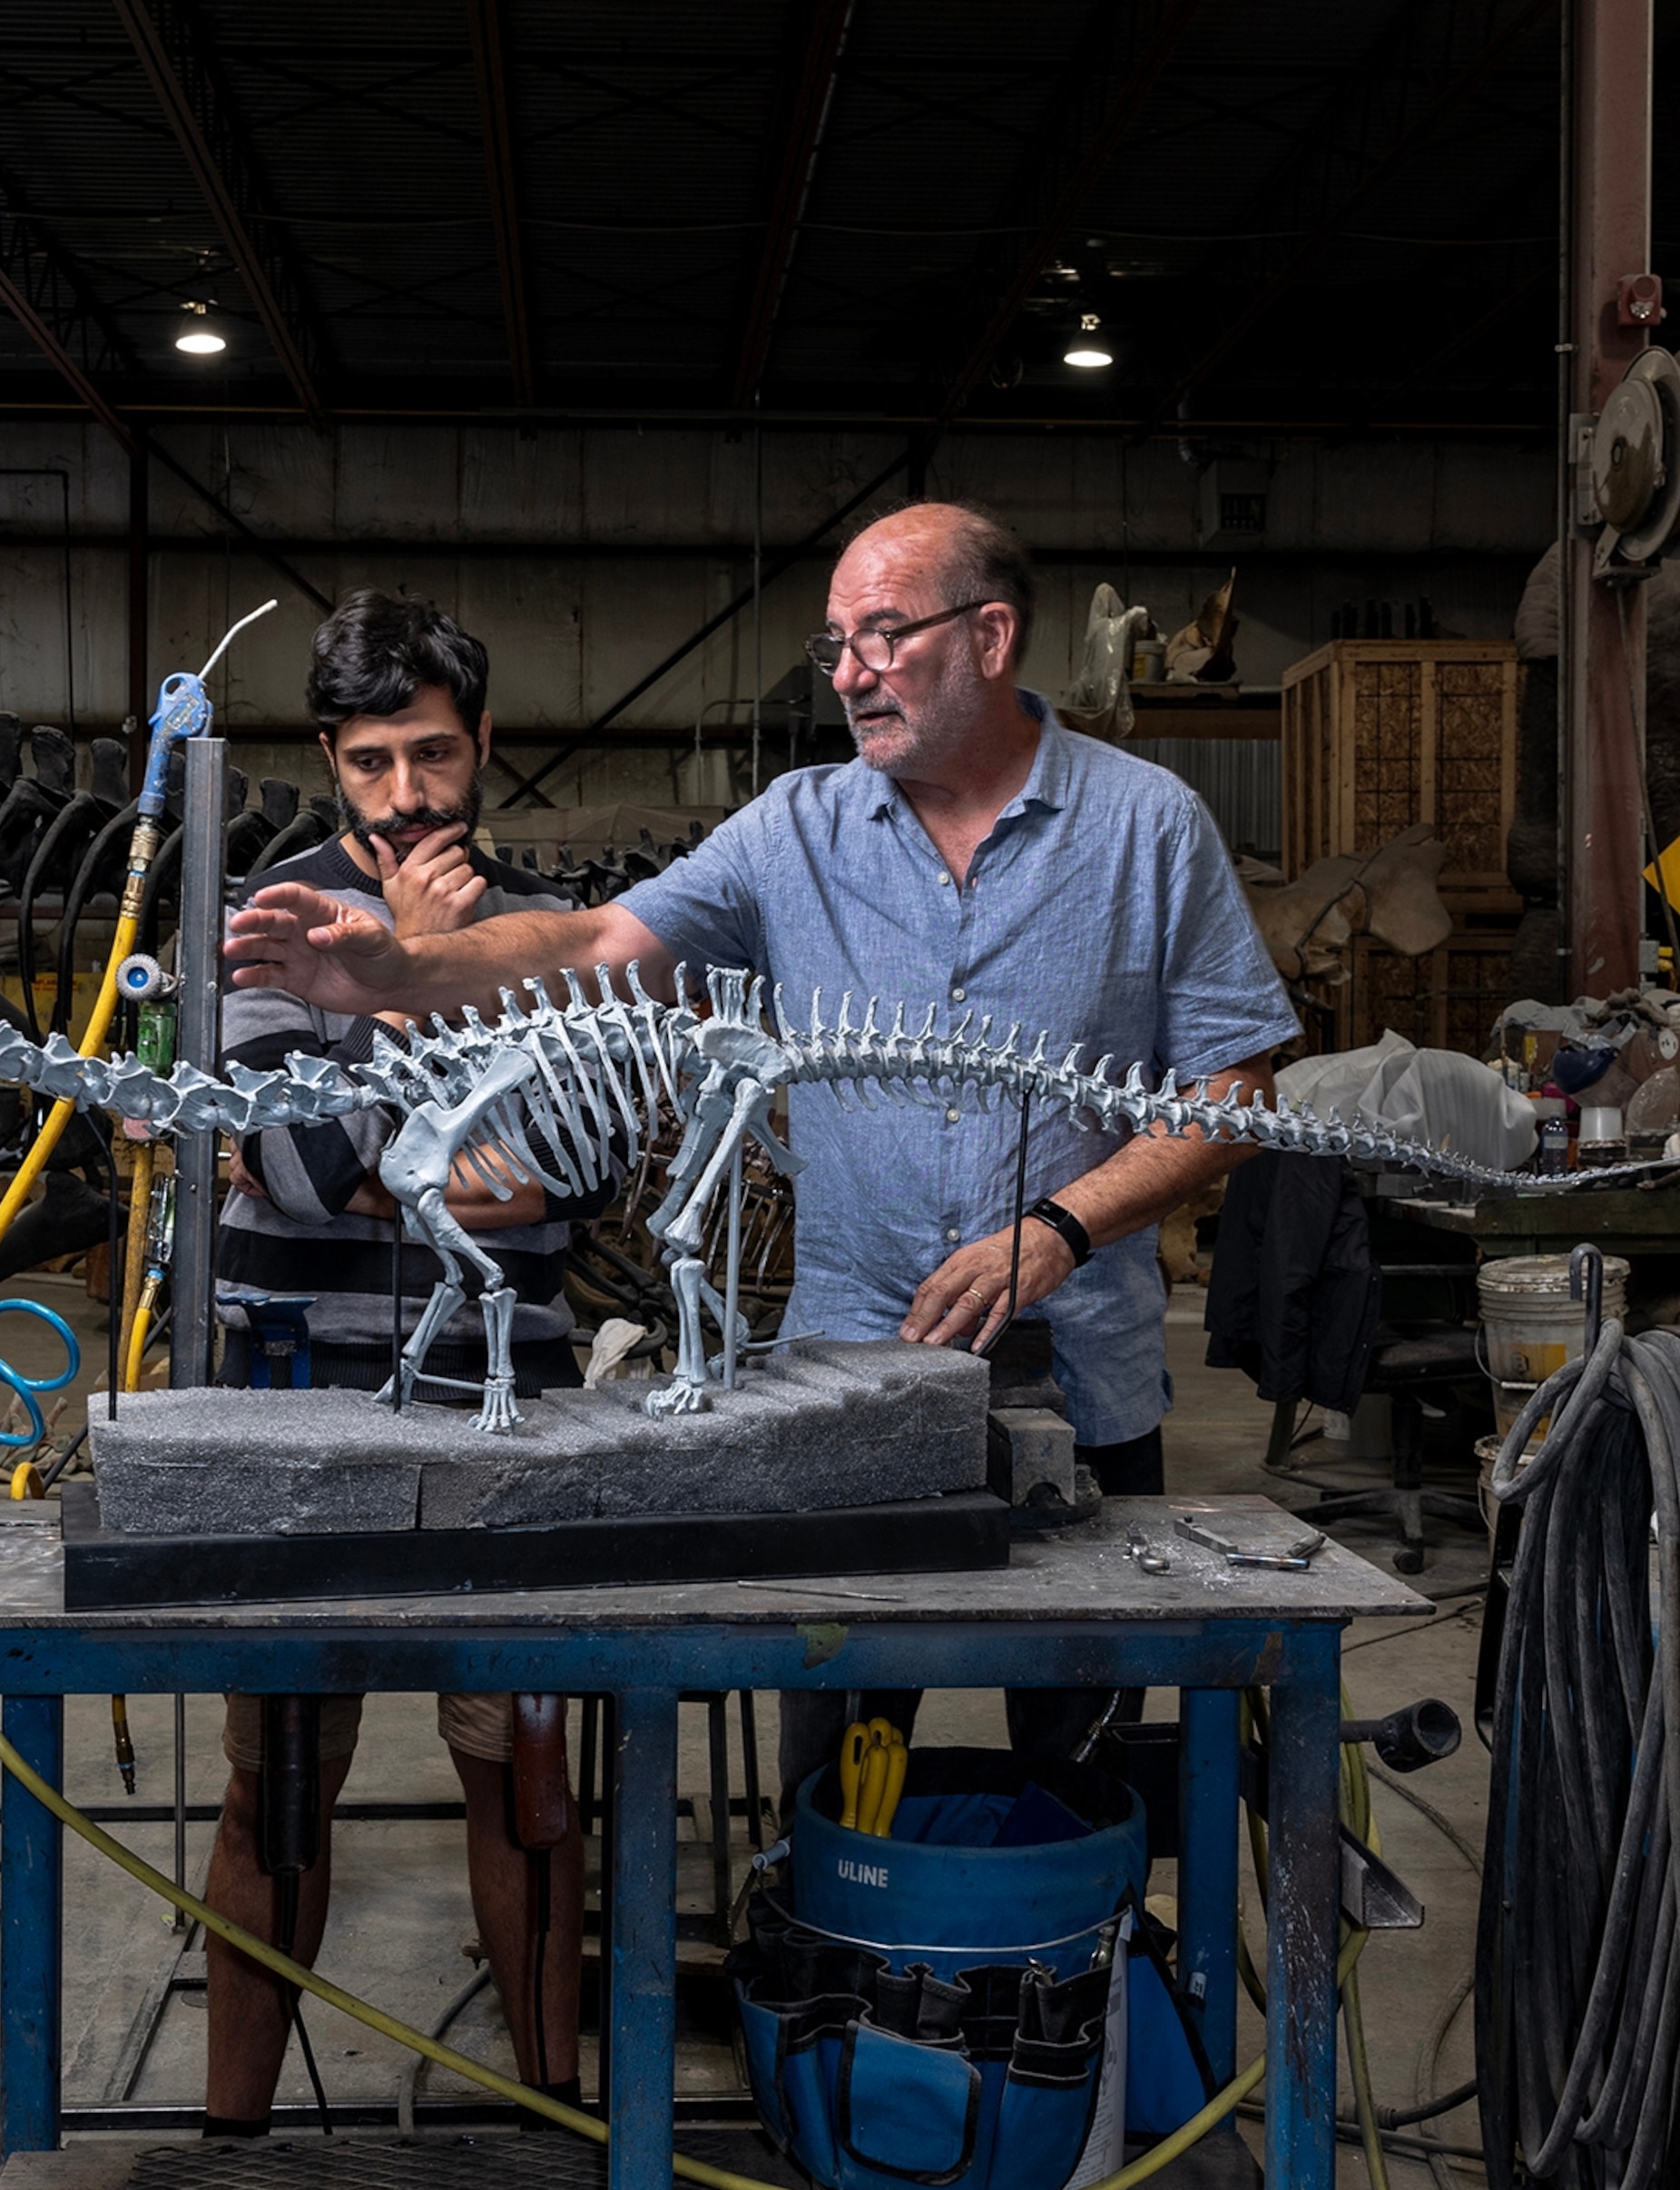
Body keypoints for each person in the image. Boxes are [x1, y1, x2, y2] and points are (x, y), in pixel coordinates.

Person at [225, 502, 1297, 1810]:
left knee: (1076, 1760)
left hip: (1086, 1364)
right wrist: (404, 967)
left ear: (992, 636)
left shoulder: (1150, 827)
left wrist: (1059, 1227)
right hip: (844, 1369)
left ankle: (1067, 1967)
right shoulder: (793, 827)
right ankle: (831, 1989)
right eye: (833, 640)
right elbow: (594, 945)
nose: (843, 673)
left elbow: (1231, 1086)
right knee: (835, 1756)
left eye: (881, 637)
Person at [203, 589, 601, 2137]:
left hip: (508, 1415)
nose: (404, 797)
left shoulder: (557, 931)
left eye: (431, 756)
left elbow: (565, 1169)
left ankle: (555, 2119)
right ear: (328, 756)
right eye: (368, 764)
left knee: (522, 1776)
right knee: (273, 1776)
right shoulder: (261, 925)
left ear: (482, 743)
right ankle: (231, 2137)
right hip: (296, 1407)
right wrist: (411, 980)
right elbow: (298, 1169)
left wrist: (361, 1127)